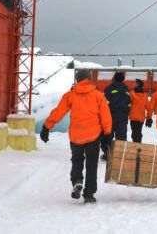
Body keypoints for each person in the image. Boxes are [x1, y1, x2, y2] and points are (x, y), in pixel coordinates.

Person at [39, 69, 111, 204]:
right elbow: (106, 116)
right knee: (91, 165)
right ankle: (89, 194)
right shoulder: (98, 95)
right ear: (89, 79)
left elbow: (58, 112)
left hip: (76, 135)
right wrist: (107, 133)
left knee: (77, 160)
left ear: (77, 80)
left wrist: (46, 127)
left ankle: (77, 181)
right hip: (93, 135)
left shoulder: (70, 95)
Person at [101, 71, 131, 159]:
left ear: (114, 78)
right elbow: (129, 104)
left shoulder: (109, 89)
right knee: (121, 136)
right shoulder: (127, 90)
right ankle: (119, 156)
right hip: (122, 117)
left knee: (107, 136)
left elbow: (104, 104)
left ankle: (107, 154)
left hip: (110, 116)